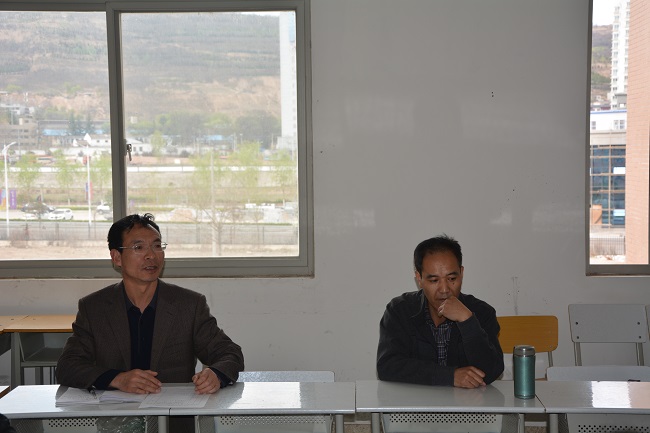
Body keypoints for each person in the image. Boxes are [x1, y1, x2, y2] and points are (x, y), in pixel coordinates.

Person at [57, 213, 244, 395]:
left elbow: (230, 353)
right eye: (138, 247)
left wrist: (215, 374)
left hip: (172, 410)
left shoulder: (189, 305)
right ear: (116, 257)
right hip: (115, 412)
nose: (151, 255)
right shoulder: (94, 308)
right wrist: (118, 379)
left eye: (157, 246)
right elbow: (68, 367)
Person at [377, 235, 503, 388]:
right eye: (434, 280)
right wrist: (449, 376)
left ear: (461, 273)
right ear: (419, 278)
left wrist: (467, 321)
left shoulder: (482, 312)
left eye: (451, 279)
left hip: (467, 402)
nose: (444, 290)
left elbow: (491, 372)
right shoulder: (400, 310)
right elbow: (387, 366)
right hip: (416, 402)